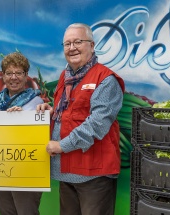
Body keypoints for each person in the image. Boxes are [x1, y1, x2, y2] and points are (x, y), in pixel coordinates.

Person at [36, 23, 125, 215]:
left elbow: (97, 124)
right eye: (67, 44)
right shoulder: (66, 76)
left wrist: (61, 146)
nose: (72, 47)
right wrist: (52, 111)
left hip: (93, 173)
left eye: (78, 42)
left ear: (91, 46)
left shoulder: (105, 79)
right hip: (67, 170)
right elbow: (72, 112)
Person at [0, 52, 43, 215]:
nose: (14, 77)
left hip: (26, 171)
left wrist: (23, 118)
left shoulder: (37, 102)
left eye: (19, 73)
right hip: (0, 170)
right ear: (3, 76)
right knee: (6, 211)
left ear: (26, 76)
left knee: (27, 212)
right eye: (9, 73)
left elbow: (40, 137)